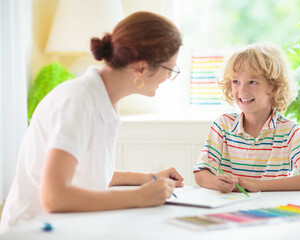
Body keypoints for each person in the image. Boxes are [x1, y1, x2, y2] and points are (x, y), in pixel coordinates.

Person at [0, 11, 184, 232]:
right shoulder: (78, 102)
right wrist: (139, 197)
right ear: (141, 68)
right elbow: (54, 197)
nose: (169, 78)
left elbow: (86, 175)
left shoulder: (103, 100)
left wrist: (148, 178)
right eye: (170, 69)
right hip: (33, 230)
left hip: (67, 225)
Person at [193, 43, 300, 193]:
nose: (242, 90)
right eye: (236, 82)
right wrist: (217, 182)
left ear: (273, 87)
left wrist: (259, 186)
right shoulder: (223, 126)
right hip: (229, 210)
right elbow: (201, 173)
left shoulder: (289, 132)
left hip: (273, 211)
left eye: (252, 82)